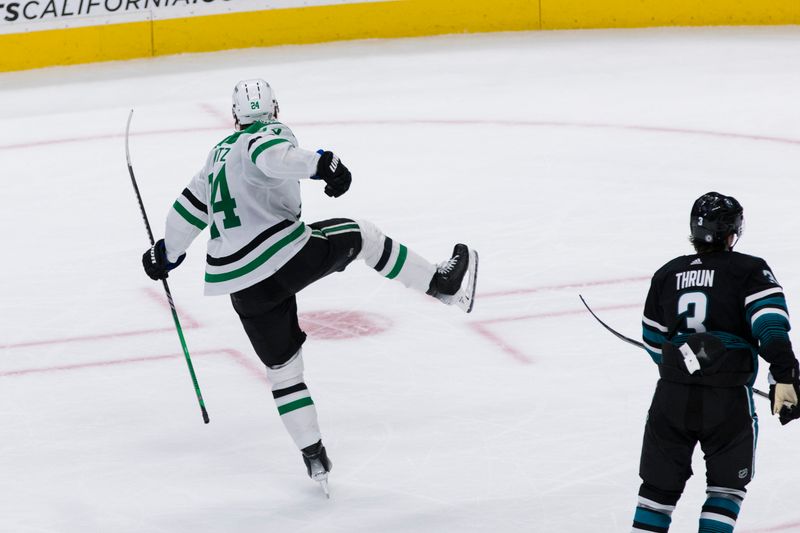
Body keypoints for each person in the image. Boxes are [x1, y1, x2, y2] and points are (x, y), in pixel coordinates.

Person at [141, 79, 478, 495]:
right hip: (283, 256)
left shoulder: (216, 156)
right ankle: (440, 284)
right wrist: (322, 164)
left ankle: (313, 455)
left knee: (283, 371)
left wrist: (166, 254)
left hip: (242, 284)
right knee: (362, 236)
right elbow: (274, 156)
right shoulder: (264, 137)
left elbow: (185, 211)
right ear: (275, 109)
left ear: (234, 115)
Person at [631, 192, 799, 533]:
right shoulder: (749, 270)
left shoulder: (667, 274)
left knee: (656, 493)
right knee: (726, 490)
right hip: (726, 401)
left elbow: (653, 342)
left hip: (671, 397)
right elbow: (769, 325)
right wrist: (785, 375)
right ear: (732, 231)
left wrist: (690, 366)